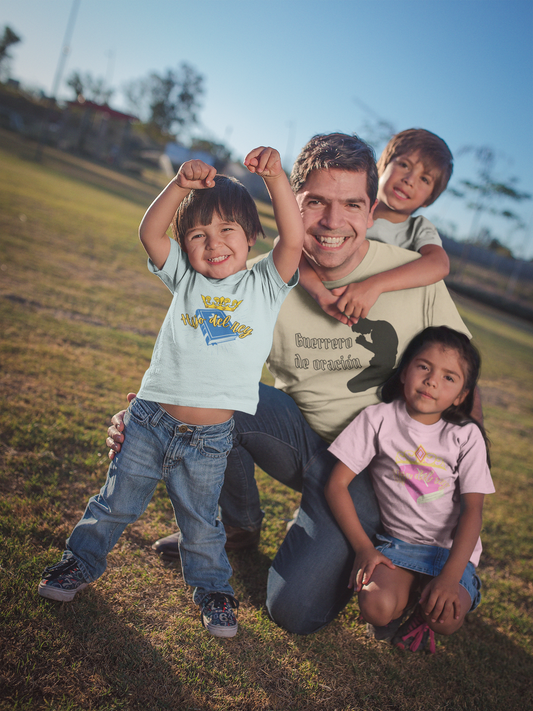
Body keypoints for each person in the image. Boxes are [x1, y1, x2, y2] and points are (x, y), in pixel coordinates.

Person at [108, 132, 479, 636]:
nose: (331, 221)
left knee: (293, 610)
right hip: (302, 437)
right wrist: (143, 415)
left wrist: (459, 493)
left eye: (350, 204)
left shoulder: (414, 277)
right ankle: (237, 525)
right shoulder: (254, 282)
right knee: (227, 403)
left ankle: (369, 548)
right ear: (291, 204)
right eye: (315, 203)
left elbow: (464, 388)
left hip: (374, 472)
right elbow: (196, 361)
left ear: (372, 212)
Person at [38, 146, 303, 639]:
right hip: (149, 422)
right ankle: (77, 563)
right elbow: (149, 233)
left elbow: (294, 238)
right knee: (114, 503)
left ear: (251, 237)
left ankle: (213, 593)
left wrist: (277, 181)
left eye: (227, 231)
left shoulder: (265, 285)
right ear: (185, 245)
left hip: (209, 439)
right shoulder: (185, 278)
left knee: (201, 525)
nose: (214, 243)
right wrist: (180, 184)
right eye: (198, 235)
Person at [325, 326, 493, 653]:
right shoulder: (378, 419)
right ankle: (404, 596)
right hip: (399, 546)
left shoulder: (465, 435)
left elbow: (473, 510)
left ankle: (424, 606)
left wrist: (449, 576)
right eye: (424, 366)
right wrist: (364, 548)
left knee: (445, 618)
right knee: (377, 608)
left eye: (449, 377)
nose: (432, 380)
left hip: (450, 553)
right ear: (404, 372)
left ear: (461, 395)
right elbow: (336, 485)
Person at [298, 128, 452, 326]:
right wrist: (321, 294)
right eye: (404, 165)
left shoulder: (418, 228)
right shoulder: (343, 216)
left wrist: (373, 286)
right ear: (383, 165)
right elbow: (292, 250)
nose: (409, 180)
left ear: (429, 199)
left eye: (425, 179)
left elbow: (439, 264)